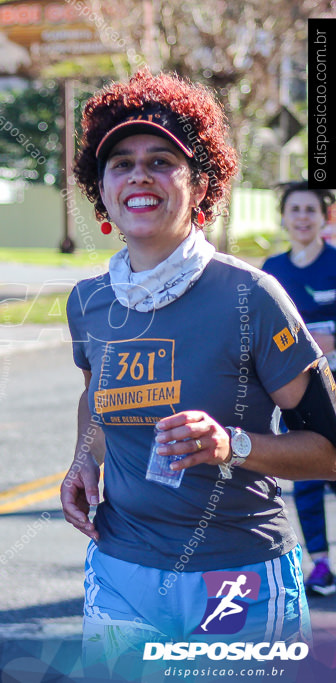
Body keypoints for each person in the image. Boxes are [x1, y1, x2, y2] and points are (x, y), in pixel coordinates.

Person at [60, 70, 336, 674]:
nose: (138, 175)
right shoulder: (89, 302)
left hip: (235, 574)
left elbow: (330, 452)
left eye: (162, 160)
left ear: (201, 182)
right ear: (99, 189)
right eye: (120, 162)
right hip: (121, 568)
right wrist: (85, 458)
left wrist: (230, 444)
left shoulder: (252, 296)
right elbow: (96, 399)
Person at [262, 182, 336, 596]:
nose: (303, 217)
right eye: (295, 209)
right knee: (306, 477)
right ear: (284, 217)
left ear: (325, 217)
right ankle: (321, 565)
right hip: (300, 392)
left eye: (311, 209)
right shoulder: (273, 269)